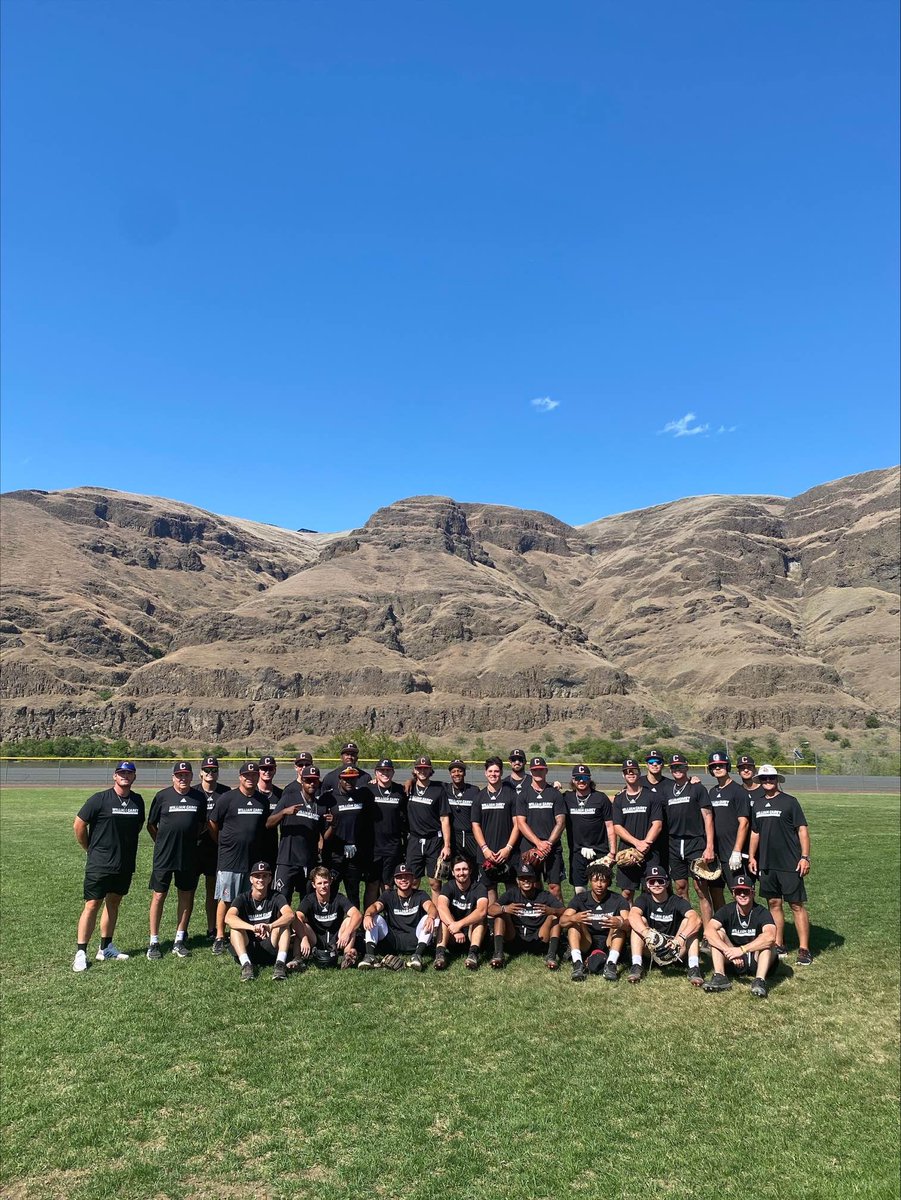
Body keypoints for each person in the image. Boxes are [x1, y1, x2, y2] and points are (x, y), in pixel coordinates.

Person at [72, 761, 145, 972]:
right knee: (92, 905)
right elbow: (79, 824)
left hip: (124, 864)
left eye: (129, 773)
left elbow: (138, 826)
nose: (125, 776)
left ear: (134, 777)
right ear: (114, 776)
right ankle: (81, 952)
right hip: (100, 864)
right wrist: (89, 848)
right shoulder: (99, 799)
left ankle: (106, 947)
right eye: (121, 772)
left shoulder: (137, 801)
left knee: (113, 903)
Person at [748, 764, 812, 965]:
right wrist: (751, 856)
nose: (768, 782)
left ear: (777, 780)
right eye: (764, 779)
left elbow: (802, 830)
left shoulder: (790, 802)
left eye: (771, 778)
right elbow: (755, 833)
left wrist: (805, 857)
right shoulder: (757, 804)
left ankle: (803, 949)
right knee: (774, 904)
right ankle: (778, 943)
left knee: (796, 905)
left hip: (789, 863)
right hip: (767, 864)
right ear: (760, 781)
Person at [146, 761, 207, 959]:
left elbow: (201, 825)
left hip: (188, 856)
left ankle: (179, 939)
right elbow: (151, 825)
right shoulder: (162, 796)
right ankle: (153, 942)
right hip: (164, 856)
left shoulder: (199, 797)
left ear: (192, 777)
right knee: (158, 896)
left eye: (186, 775)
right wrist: (163, 842)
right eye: (179, 775)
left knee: (186, 895)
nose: (182, 778)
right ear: (173, 777)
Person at [208, 761, 269, 954]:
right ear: (240, 777)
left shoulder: (262, 800)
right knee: (226, 899)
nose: (250, 778)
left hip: (252, 860)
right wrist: (224, 842)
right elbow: (212, 822)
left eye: (253, 775)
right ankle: (219, 936)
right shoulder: (228, 798)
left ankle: (244, 933)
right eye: (246, 775)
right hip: (230, 858)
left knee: (248, 899)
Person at [703, 874, 777, 997]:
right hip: (733, 959)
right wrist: (729, 951)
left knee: (767, 943)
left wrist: (742, 950)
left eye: (746, 891)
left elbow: (770, 936)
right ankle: (720, 977)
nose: (742, 895)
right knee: (718, 933)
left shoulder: (761, 912)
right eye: (738, 891)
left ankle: (759, 981)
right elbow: (708, 931)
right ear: (733, 894)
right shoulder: (726, 910)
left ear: (752, 893)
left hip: (756, 959)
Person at [664, 752, 717, 926]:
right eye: (674, 767)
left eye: (680, 766)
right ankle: (688, 927)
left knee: (701, 888)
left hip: (695, 842)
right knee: (680, 888)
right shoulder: (667, 790)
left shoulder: (697, 788)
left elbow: (708, 817)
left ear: (687, 767)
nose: (677, 770)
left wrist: (709, 846)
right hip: (674, 843)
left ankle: (709, 931)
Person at [628, 865, 703, 985]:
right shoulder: (643, 899)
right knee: (639, 920)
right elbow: (632, 915)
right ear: (647, 884)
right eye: (652, 881)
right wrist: (646, 933)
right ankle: (636, 965)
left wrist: (679, 939)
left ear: (667, 883)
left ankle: (694, 967)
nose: (656, 884)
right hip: (652, 949)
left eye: (660, 881)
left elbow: (697, 919)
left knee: (690, 924)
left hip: (675, 949)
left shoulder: (677, 901)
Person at [359, 863, 437, 970]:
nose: (403, 880)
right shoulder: (388, 894)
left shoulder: (420, 894)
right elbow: (375, 906)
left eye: (407, 876)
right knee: (374, 917)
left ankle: (417, 956)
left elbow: (431, 907)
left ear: (413, 878)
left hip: (415, 938)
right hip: (393, 940)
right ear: (395, 880)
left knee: (432, 918)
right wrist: (368, 915)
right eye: (400, 877)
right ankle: (370, 956)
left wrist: (431, 917)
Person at [560, 860, 630, 982]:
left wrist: (620, 923)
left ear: (608, 882)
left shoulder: (618, 899)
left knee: (619, 920)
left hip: (610, 941)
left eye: (603, 881)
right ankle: (577, 964)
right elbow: (562, 921)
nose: (599, 884)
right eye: (595, 880)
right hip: (587, 941)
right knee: (574, 922)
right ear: (589, 881)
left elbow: (629, 924)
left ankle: (611, 964)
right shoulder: (580, 899)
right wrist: (573, 918)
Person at [225, 861, 295, 982]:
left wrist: (270, 926)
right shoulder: (242, 898)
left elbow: (290, 915)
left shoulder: (276, 896)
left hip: (270, 945)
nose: (261, 880)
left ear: (270, 879)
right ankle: (246, 965)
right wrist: (252, 928)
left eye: (264, 876)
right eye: (257, 876)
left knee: (284, 925)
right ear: (251, 879)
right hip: (248, 946)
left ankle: (280, 964)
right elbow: (228, 918)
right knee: (235, 928)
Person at [268, 765, 326, 905]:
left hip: (308, 861)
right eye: (308, 780)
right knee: (281, 900)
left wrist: (328, 831)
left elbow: (321, 833)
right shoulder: (289, 798)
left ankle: (302, 927)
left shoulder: (320, 806)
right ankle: (282, 927)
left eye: (314, 780)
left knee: (307, 902)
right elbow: (269, 823)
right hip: (287, 860)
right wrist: (284, 812)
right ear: (302, 782)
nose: (311, 784)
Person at [488, 863, 564, 970]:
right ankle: (498, 954)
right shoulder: (512, 893)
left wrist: (552, 910)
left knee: (554, 917)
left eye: (529, 878)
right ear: (518, 881)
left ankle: (551, 955)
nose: (526, 881)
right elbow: (490, 910)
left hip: (539, 939)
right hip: (515, 939)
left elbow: (564, 910)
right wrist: (504, 908)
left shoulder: (543, 895)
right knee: (500, 915)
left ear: (535, 880)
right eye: (522, 878)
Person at [320, 765, 372, 911]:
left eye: (353, 779)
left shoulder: (362, 795)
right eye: (346, 779)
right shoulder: (329, 797)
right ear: (340, 779)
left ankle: (354, 928)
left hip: (354, 853)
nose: (349, 782)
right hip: (334, 853)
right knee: (331, 890)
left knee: (353, 892)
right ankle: (330, 925)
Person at [514, 756, 566, 900]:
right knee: (533, 885)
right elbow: (521, 823)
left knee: (554, 887)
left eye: (541, 770)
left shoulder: (555, 793)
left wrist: (548, 844)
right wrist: (538, 843)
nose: (538, 773)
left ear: (546, 771)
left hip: (552, 847)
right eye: (535, 770)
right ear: (530, 772)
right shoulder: (523, 794)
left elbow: (560, 822)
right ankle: (536, 919)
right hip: (530, 846)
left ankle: (558, 920)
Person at [612, 759, 664, 900]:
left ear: (639, 773)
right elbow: (617, 826)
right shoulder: (619, 799)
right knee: (627, 893)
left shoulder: (652, 796)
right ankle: (629, 922)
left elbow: (657, 824)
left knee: (651, 890)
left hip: (650, 851)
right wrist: (637, 844)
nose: (630, 773)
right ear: (623, 775)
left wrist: (645, 843)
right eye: (627, 771)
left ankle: (648, 922)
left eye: (634, 770)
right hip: (628, 851)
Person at [470, 757, 520, 904]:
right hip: (487, 853)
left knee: (511, 890)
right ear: (485, 773)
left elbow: (517, 824)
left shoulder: (511, 795)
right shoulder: (479, 797)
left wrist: (508, 848)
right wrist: (485, 849)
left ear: (501, 772)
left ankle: (511, 925)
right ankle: (493, 925)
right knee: (490, 890)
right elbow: (475, 825)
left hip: (508, 853)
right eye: (490, 771)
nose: (493, 774)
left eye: (497, 771)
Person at [293, 864, 363, 969]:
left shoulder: (338, 897)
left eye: (325, 882)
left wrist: (347, 933)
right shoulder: (309, 899)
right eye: (319, 883)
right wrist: (304, 938)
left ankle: (347, 956)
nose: (323, 886)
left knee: (350, 921)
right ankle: (297, 959)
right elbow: (297, 917)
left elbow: (357, 914)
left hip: (337, 940)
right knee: (300, 923)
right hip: (316, 940)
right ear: (313, 885)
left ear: (330, 882)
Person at [404, 755, 451, 905]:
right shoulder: (408, 789)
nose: (422, 771)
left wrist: (447, 845)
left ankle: (436, 918)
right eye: (419, 768)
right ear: (414, 770)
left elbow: (444, 819)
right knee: (412, 881)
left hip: (434, 840)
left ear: (431, 770)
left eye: (426, 768)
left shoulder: (439, 789)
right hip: (415, 840)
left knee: (435, 883)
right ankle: (411, 914)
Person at [706, 750, 752, 900]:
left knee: (740, 892)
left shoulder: (739, 791)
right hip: (716, 852)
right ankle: (721, 923)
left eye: (721, 765)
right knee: (716, 890)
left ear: (728, 766)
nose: (717, 768)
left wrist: (737, 850)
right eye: (714, 766)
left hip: (732, 851)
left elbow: (744, 822)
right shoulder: (712, 792)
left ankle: (744, 922)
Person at [562, 765, 616, 894]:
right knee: (579, 889)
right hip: (577, 851)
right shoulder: (566, 798)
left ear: (590, 779)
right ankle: (582, 913)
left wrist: (613, 852)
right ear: (573, 780)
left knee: (601, 887)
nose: (581, 781)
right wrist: (554, 787)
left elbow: (610, 826)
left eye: (585, 777)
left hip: (599, 850)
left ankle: (601, 913)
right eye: (578, 778)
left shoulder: (601, 798)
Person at [363, 758, 408, 908]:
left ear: (393, 772)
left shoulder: (400, 791)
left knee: (388, 886)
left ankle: (388, 921)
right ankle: (367, 920)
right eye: (382, 771)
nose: (385, 773)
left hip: (392, 845)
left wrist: (411, 780)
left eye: (388, 770)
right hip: (372, 846)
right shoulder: (367, 790)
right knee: (372, 885)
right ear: (376, 773)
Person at [434, 856, 489, 971]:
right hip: (453, 934)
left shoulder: (479, 887)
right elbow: (441, 907)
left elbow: (482, 911)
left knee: (480, 919)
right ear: (453, 873)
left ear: (470, 871)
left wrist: (459, 925)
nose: (461, 873)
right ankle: (440, 955)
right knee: (444, 919)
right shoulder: (448, 886)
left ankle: (473, 955)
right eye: (458, 870)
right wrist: (454, 927)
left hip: (471, 934)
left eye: (465, 869)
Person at [196, 755, 231, 939]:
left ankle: (212, 929)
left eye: (214, 770)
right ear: (201, 772)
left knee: (213, 890)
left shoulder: (225, 793)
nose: (210, 773)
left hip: (216, 847)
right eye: (207, 770)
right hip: (195, 848)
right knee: (188, 890)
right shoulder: (193, 791)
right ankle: (182, 931)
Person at [445, 759, 480, 865]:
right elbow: (427, 783)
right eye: (454, 771)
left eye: (460, 771)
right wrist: (411, 780)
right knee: (454, 870)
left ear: (464, 772)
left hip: (471, 836)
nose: (457, 774)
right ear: (450, 774)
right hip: (454, 837)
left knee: (473, 869)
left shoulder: (474, 790)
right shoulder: (444, 788)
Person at [255, 754, 282, 868]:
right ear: (259, 771)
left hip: (271, 844)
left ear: (275, 770)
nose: (267, 772)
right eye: (264, 768)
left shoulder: (280, 794)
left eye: (270, 768)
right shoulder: (251, 791)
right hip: (253, 843)